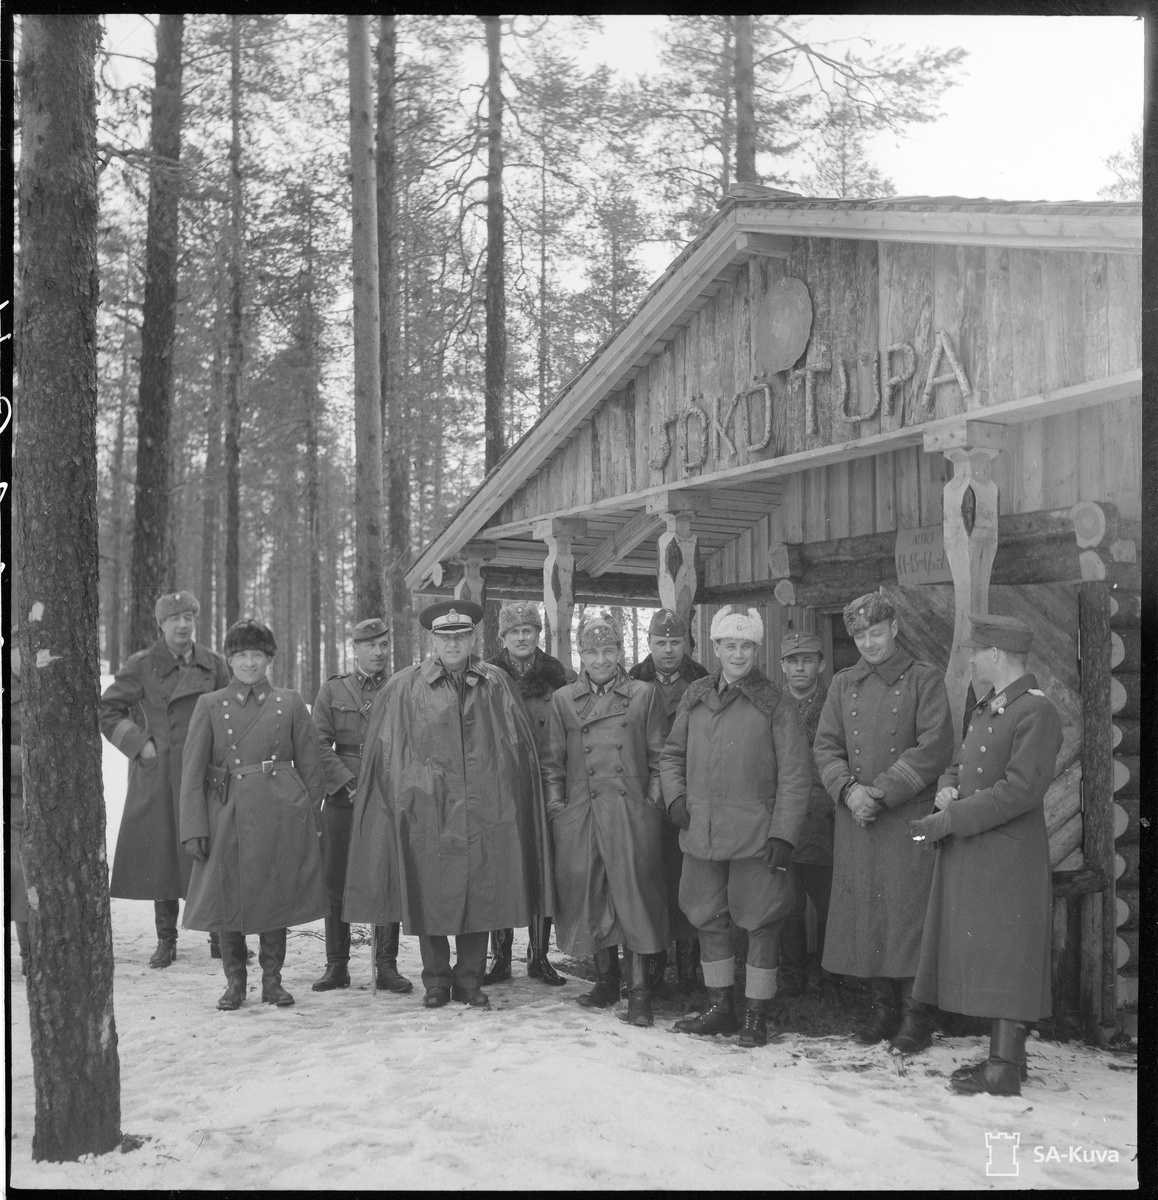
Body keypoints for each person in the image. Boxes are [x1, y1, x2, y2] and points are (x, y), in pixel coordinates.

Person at [342, 600, 554, 1011]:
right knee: (430, 893)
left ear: (473, 638)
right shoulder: (405, 686)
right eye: (445, 637)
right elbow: (387, 752)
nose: (453, 644)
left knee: (480, 893)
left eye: (460, 636)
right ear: (433, 640)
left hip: (483, 809)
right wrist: (408, 796)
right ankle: (436, 980)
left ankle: (470, 980)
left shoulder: (496, 683)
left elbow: (515, 751)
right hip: (427, 811)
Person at [910, 615, 1063, 1093]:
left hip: (1009, 857)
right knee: (996, 953)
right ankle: (1002, 1064)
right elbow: (960, 764)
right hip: (981, 851)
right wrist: (947, 789)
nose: (972, 660)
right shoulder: (989, 707)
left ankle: (1003, 1069)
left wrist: (953, 818)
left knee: (1010, 955)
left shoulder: (1036, 712)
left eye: (977, 652)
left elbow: (1020, 790)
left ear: (995, 655)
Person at [660, 604, 813, 1047]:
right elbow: (671, 755)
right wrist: (675, 799)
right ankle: (719, 1007)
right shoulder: (696, 695)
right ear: (716, 647)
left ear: (757, 650)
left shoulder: (775, 702)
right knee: (708, 918)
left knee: (761, 921)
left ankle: (755, 1015)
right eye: (730, 645)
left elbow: (795, 773)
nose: (738, 653)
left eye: (747, 646)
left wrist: (784, 832)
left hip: (756, 836)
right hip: (702, 832)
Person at [812, 592, 954, 1052]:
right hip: (857, 818)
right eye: (859, 635)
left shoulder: (924, 680)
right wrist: (849, 792)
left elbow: (934, 746)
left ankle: (916, 1017)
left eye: (876, 632)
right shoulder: (842, 684)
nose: (869, 643)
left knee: (908, 917)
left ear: (894, 628)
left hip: (906, 817)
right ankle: (881, 1011)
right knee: (868, 916)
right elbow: (825, 747)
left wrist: (882, 792)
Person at [179, 618, 329, 1010]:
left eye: (257, 655)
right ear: (229, 660)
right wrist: (194, 826)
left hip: (280, 814)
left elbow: (312, 767)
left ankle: (273, 981)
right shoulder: (210, 705)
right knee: (227, 900)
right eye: (242, 655)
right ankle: (235, 983)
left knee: (274, 897)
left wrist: (308, 817)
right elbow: (192, 773)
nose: (249, 663)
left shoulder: (290, 702)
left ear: (269, 660)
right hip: (225, 814)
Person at [540, 611, 669, 1025]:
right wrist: (558, 808)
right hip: (583, 811)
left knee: (633, 900)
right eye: (592, 651)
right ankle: (606, 981)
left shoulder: (644, 694)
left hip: (630, 811)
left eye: (609, 650)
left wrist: (651, 804)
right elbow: (551, 763)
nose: (600, 659)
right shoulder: (563, 699)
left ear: (620, 652)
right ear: (580, 653)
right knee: (591, 895)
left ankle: (640, 994)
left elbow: (660, 756)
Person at [100, 591, 229, 967]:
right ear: (161, 624)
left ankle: (220, 939)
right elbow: (108, 709)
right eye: (175, 619)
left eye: (189, 616)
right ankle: (166, 940)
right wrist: (140, 744)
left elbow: (225, 712)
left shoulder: (215, 664)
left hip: (203, 771)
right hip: (158, 775)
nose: (183, 625)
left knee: (209, 849)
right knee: (162, 855)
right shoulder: (142, 665)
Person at [310, 617, 412, 994]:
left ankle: (386, 964)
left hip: (389, 794)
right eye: (370, 645)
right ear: (355, 649)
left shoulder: (402, 686)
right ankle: (336, 965)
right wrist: (348, 783)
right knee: (336, 880)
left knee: (386, 875)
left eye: (384, 644)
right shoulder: (332, 690)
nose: (379, 651)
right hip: (343, 797)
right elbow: (317, 743)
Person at [483, 601, 571, 988]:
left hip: (545, 782)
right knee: (501, 868)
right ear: (502, 637)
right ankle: (501, 957)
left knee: (543, 867)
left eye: (528, 630)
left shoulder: (559, 678)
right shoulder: (485, 676)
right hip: (500, 786)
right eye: (514, 631)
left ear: (538, 634)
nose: (522, 637)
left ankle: (539, 956)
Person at [628, 608, 709, 996]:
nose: (668, 649)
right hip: (646, 797)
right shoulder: (633, 681)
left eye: (675, 642)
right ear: (649, 644)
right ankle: (655, 964)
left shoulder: (704, 680)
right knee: (652, 880)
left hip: (692, 798)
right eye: (660, 642)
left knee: (689, 880)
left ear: (686, 644)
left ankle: (690, 966)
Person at [776, 631, 841, 1006]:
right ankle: (791, 978)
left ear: (821, 664)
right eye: (793, 660)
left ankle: (833, 979)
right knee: (787, 903)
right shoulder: (774, 705)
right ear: (783, 665)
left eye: (808, 660)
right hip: (785, 820)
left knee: (831, 903)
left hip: (826, 819)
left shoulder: (836, 702)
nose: (800, 667)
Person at [8, 634, 29, 978]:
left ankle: (31, 953)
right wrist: (25, 758)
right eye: (17, 650)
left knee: (27, 879)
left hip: (36, 800)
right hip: (9, 795)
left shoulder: (50, 685)